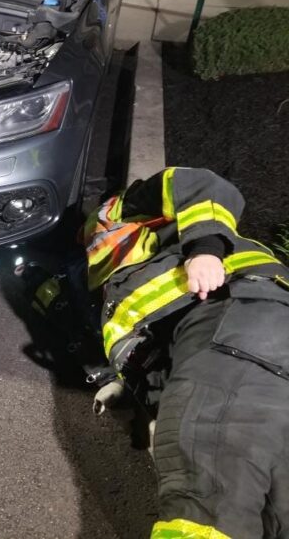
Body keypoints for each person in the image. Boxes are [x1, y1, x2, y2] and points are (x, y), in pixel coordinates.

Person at [81, 167, 289, 539]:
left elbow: (200, 183)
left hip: (233, 318)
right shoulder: (108, 284)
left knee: (204, 511)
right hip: (242, 343)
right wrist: (125, 383)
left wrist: (204, 250)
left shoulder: (116, 212)